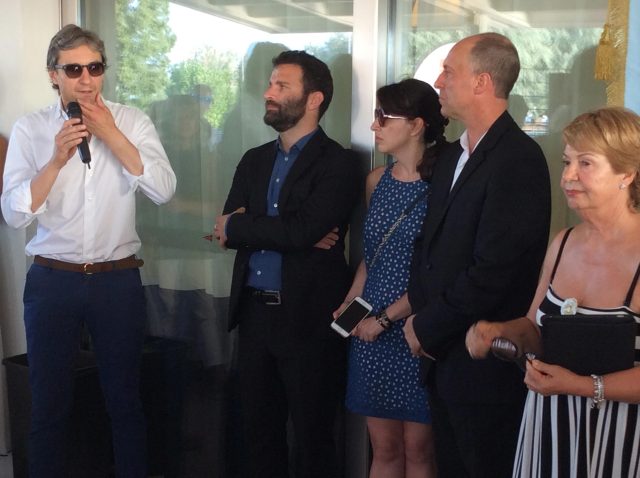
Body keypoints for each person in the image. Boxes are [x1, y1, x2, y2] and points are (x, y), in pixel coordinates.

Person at [0, 24, 176, 478]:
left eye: (94, 68)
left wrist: (111, 134)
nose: (86, 78)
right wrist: (56, 161)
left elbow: (163, 189)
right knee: (48, 403)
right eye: (73, 69)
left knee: (125, 400)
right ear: (53, 75)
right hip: (53, 281)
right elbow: (15, 214)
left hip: (117, 279)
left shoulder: (132, 121)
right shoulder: (30, 128)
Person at [402, 32, 551, 477]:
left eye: (449, 72)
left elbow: (495, 271)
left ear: (482, 82)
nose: (439, 82)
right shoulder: (452, 156)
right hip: (442, 358)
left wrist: (428, 326)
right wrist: (420, 316)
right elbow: (428, 246)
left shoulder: (519, 158)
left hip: (484, 366)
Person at [466, 106, 640, 477]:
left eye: (585, 163)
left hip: (623, 441)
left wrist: (581, 386)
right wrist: (498, 330)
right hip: (550, 431)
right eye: (566, 162)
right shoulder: (563, 243)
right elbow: (535, 328)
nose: (568, 176)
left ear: (627, 173)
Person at [213, 50, 360, 478]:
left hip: (309, 319)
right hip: (254, 316)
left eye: (281, 85)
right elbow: (227, 230)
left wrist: (254, 227)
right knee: (259, 436)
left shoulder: (338, 162)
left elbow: (295, 230)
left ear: (314, 99)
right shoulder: (254, 159)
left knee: (314, 439)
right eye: (270, 84)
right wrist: (289, 231)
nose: (268, 92)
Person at [335, 78, 446, 478]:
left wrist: (386, 319)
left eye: (384, 117)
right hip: (369, 328)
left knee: (419, 451)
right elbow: (372, 256)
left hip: (416, 326)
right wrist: (351, 301)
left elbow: (439, 272)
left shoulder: (442, 186)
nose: (374, 126)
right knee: (382, 448)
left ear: (416, 125)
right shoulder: (376, 181)